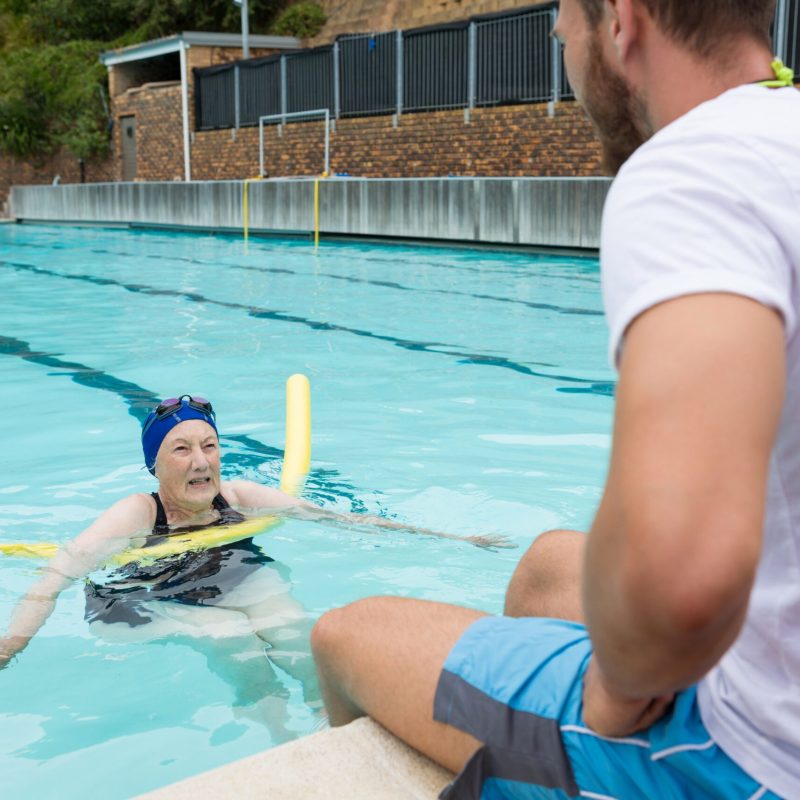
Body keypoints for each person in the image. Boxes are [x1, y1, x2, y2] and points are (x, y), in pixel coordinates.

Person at [310, 1, 800, 797]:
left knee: (345, 634)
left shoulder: (694, 170)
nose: (555, 36)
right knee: (543, 569)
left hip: (751, 756)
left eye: (566, 14)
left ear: (623, 22)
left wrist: (613, 688)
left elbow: (682, 583)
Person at [0, 395, 509, 724]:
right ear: (154, 464)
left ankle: (331, 727)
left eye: (209, 446)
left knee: (294, 629)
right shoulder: (135, 514)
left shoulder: (237, 497)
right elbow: (56, 575)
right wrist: (10, 645)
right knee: (230, 636)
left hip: (223, 571)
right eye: (181, 450)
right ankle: (277, 734)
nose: (201, 461)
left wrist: (455, 537)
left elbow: (336, 519)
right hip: (141, 594)